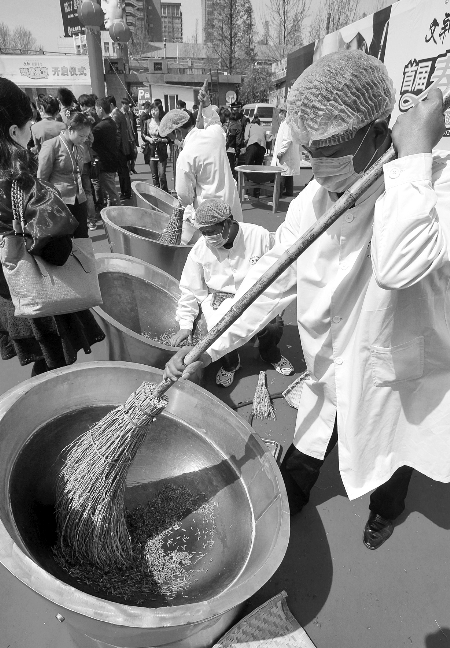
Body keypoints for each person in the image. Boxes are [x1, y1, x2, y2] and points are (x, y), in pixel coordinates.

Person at [165, 49, 450, 551]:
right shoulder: (311, 204)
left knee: (392, 459)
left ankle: (384, 514)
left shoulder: (432, 183)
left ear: (375, 134)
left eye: (328, 150)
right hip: (327, 371)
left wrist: (413, 160)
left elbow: (399, 265)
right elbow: (268, 284)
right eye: (310, 151)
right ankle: (285, 502)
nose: (316, 166)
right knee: (307, 447)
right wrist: (207, 348)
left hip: (392, 373)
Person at [0, 78, 104, 377]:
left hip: (6, 289)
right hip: (35, 288)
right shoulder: (21, 182)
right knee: (53, 364)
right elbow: (57, 252)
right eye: (28, 126)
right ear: (13, 132)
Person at [172, 199, 293, 386]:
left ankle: (270, 354)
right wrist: (185, 324)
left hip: (256, 295)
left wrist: (277, 302)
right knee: (216, 328)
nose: (208, 238)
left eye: (212, 232)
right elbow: (189, 288)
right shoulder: (200, 249)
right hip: (219, 297)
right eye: (204, 233)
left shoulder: (259, 236)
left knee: (273, 325)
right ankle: (231, 364)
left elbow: (280, 269)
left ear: (228, 222)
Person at [159, 87, 244, 242]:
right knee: (236, 246)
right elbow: (214, 122)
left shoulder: (185, 156)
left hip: (210, 217)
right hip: (231, 206)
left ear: (178, 133)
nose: (174, 142)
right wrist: (207, 105)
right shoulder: (215, 135)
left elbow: (184, 196)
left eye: (172, 138)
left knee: (215, 252)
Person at [38, 112, 93, 239]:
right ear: (70, 129)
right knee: (63, 239)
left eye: (86, 136)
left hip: (79, 197)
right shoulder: (52, 145)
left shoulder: (79, 147)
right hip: (60, 200)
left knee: (82, 235)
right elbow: (42, 177)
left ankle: (84, 253)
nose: (84, 139)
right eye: (81, 135)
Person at [91, 97, 120, 208]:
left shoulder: (99, 127)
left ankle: (118, 213)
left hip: (105, 162)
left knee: (111, 192)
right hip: (112, 160)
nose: (96, 112)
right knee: (109, 192)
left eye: (96, 109)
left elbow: (91, 141)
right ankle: (110, 212)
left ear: (101, 109)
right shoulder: (112, 123)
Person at [78, 94, 101, 230]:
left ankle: (87, 220)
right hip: (87, 158)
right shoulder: (89, 121)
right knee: (88, 191)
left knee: (83, 192)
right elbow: (91, 139)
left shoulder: (78, 120)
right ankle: (92, 220)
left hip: (78, 159)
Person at [271, 104, 301, 197]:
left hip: (286, 153)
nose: (279, 114)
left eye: (281, 112)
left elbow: (287, 139)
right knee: (288, 172)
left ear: (285, 113)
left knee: (282, 172)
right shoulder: (288, 123)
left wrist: (281, 152)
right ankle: (289, 191)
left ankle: (278, 193)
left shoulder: (287, 123)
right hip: (288, 153)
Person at [108, 95, 132, 200]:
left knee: (122, 171)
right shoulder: (119, 113)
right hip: (123, 147)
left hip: (120, 148)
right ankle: (126, 191)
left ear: (111, 105)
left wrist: (115, 148)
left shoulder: (115, 115)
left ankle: (125, 192)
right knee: (123, 171)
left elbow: (117, 134)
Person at [142, 102, 169, 192]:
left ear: (159, 111)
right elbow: (143, 135)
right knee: (154, 176)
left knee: (162, 175)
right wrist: (150, 139)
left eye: (156, 110)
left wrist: (161, 140)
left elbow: (169, 139)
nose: (153, 112)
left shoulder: (163, 123)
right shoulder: (147, 122)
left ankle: (165, 193)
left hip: (161, 152)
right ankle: (157, 194)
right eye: (152, 110)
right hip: (151, 151)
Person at [121, 98, 138, 174]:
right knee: (127, 154)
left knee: (135, 152)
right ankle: (128, 169)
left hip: (132, 136)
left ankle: (132, 167)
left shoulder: (130, 113)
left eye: (128, 104)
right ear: (123, 105)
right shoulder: (120, 114)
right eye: (126, 105)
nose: (128, 106)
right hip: (125, 137)